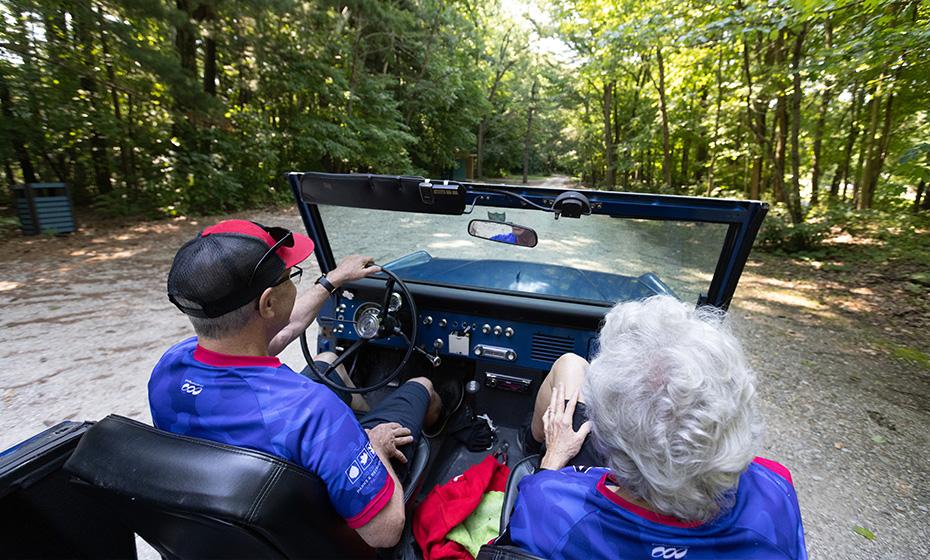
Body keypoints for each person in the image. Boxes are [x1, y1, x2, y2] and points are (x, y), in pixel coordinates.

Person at [148, 219, 442, 548]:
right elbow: (385, 532)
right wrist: (373, 447)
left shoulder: (170, 367)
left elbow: (280, 330)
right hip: (325, 539)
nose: (293, 281)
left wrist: (330, 282)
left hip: (236, 534)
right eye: (290, 276)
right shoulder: (313, 411)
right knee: (422, 384)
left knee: (327, 364)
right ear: (268, 303)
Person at [505, 295, 807, 559]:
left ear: (604, 437)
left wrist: (552, 459)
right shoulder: (775, 491)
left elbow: (510, 543)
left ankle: (531, 443)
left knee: (570, 364)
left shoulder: (550, 505)